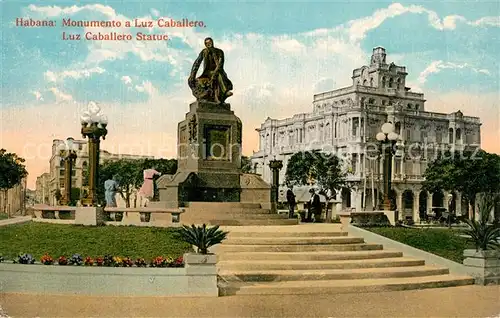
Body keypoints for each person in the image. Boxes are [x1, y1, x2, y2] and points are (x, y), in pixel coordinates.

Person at [188, 37, 233, 104]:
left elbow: (220, 65)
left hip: (218, 71)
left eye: (210, 42)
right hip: (207, 73)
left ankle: (225, 92)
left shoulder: (220, 52)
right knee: (200, 81)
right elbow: (197, 63)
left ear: (213, 42)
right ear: (205, 45)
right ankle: (209, 96)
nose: (209, 44)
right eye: (207, 43)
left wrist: (214, 74)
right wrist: (192, 75)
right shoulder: (204, 52)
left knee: (219, 76)